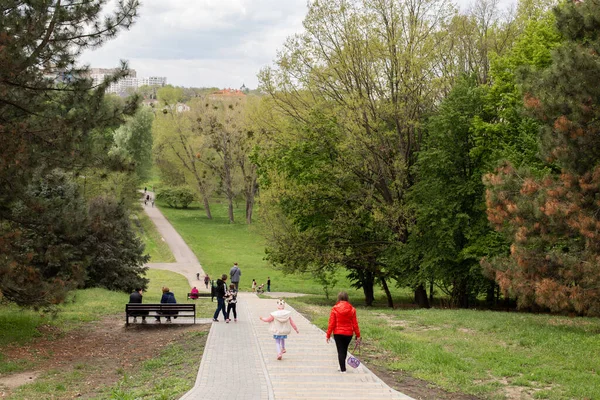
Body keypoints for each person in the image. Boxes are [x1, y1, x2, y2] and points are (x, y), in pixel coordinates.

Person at [326, 291, 361, 373]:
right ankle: (341, 365)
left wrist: (328, 334)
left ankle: (343, 369)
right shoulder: (352, 309)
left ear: (338, 298)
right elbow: (355, 324)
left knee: (340, 350)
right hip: (348, 333)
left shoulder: (335, 308)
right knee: (344, 349)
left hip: (338, 333)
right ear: (347, 298)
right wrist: (358, 335)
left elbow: (332, 323)